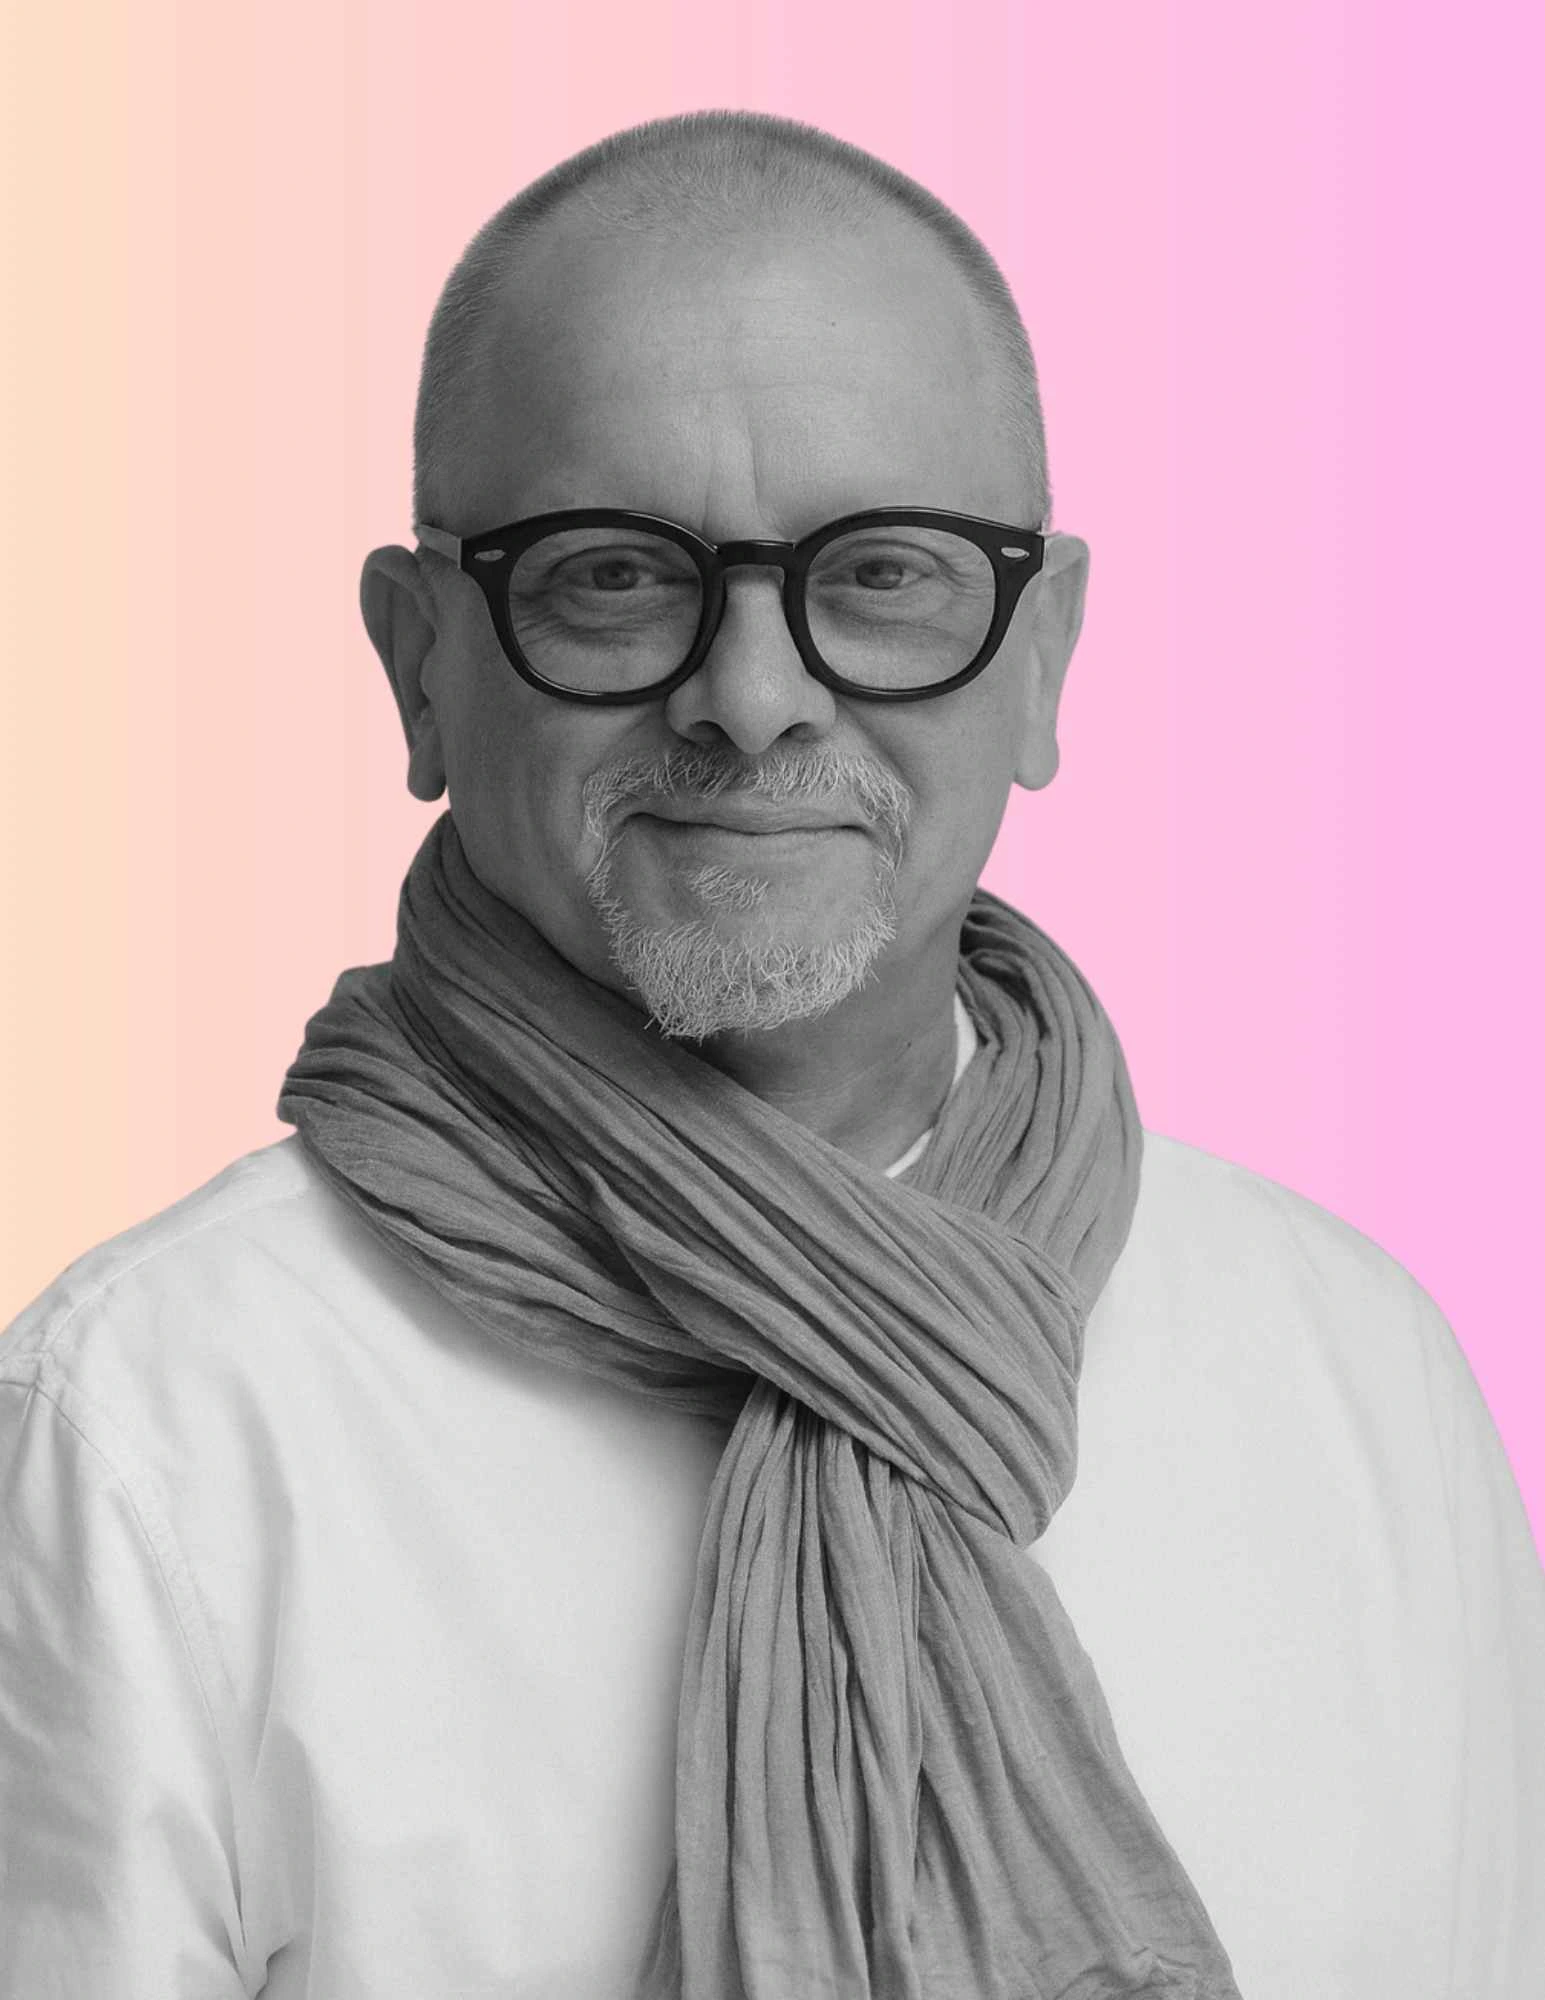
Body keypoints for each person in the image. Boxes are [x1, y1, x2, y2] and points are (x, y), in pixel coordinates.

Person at [1, 108, 1541, 2000]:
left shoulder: (1364, 1382)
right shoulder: (142, 1432)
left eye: (882, 573)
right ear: (417, 665)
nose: (751, 697)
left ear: (1043, 656)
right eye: (612, 575)